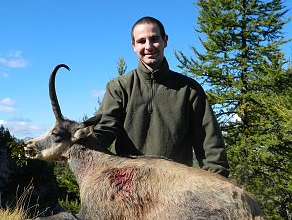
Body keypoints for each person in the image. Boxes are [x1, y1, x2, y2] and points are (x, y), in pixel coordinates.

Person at [93, 16, 229, 177]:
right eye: (141, 41)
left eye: (154, 39)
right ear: (133, 46)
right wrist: (76, 140)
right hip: (128, 185)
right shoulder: (119, 87)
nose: (148, 46)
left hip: (176, 186)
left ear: (165, 40)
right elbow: (104, 130)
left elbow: (209, 143)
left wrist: (217, 181)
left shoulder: (189, 89)